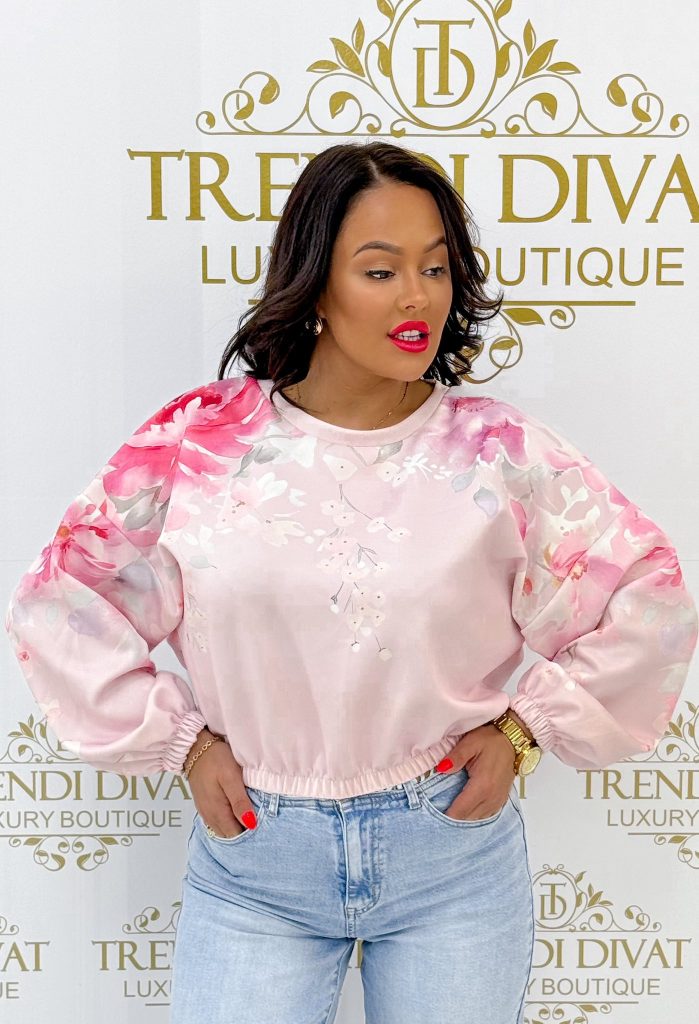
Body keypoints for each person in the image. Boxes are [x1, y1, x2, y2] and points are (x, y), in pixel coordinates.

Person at [5, 141, 698, 1024]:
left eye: (435, 268)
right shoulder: (200, 445)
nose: (418, 297)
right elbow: (64, 600)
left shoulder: (499, 453)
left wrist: (525, 731)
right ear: (315, 287)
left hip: (450, 855)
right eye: (380, 270)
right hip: (256, 862)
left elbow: (646, 594)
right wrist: (183, 743)